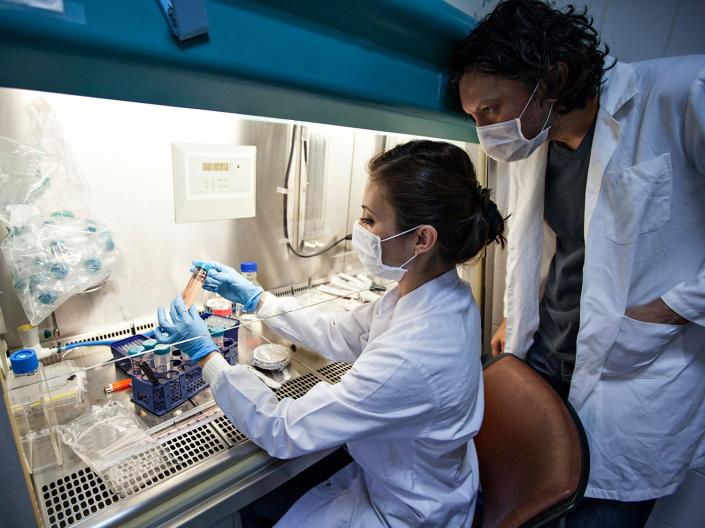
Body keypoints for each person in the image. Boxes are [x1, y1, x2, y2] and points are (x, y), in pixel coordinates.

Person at [155, 140, 506, 527]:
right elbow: (344, 331)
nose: (359, 230)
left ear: (421, 239)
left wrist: (205, 355)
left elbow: (282, 428)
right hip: (406, 475)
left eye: (370, 220)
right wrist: (259, 300)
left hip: (408, 511)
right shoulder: (439, 292)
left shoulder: (414, 353)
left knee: (258, 510)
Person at [449, 0, 705, 526]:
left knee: (597, 516)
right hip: (546, 355)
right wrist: (517, 315)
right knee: (523, 505)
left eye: (490, 111)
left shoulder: (684, 93)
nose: (484, 132)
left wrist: (671, 309)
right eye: (473, 117)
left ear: (553, 77)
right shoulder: (538, 138)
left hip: (633, 367)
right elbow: (565, 240)